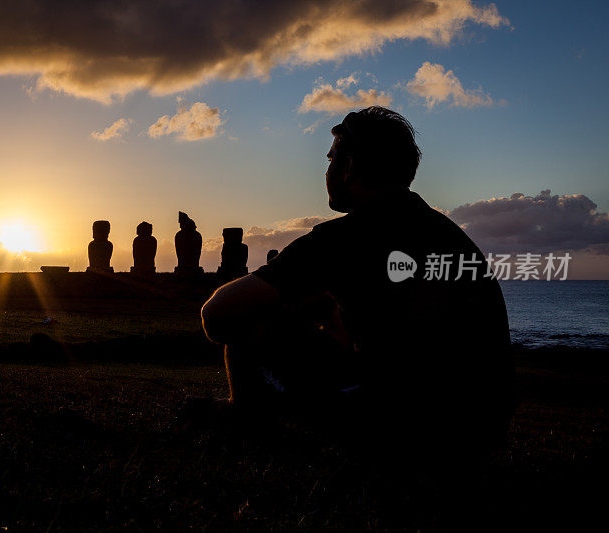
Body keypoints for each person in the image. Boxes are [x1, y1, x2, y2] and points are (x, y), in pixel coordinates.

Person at [200, 106, 515, 459]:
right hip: (479, 436)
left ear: (349, 168)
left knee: (259, 319)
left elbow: (217, 314)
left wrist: (292, 306)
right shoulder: (447, 235)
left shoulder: (342, 239)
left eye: (331, 159)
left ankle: (246, 416)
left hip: (405, 434)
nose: (327, 170)